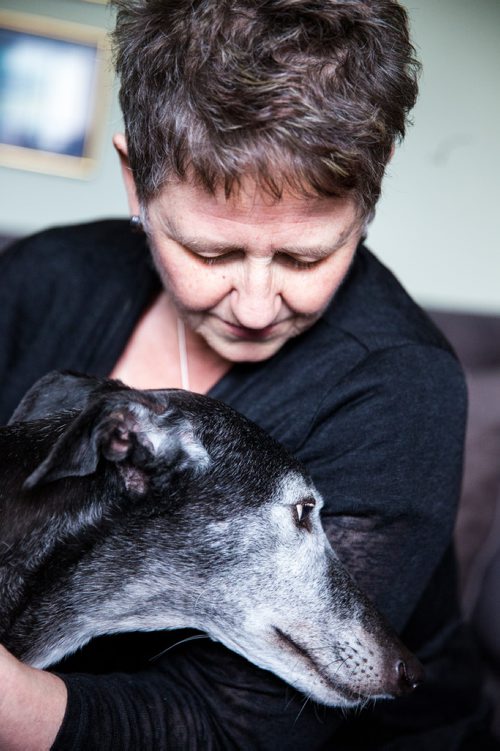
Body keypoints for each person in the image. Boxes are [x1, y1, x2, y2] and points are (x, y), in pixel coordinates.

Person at [0, 0, 496, 749]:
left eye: (304, 257)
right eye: (210, 253)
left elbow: (238, 728)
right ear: (136, 179)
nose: (259, 307)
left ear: (373, 185)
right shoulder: (43, 279)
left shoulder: (403, 387)